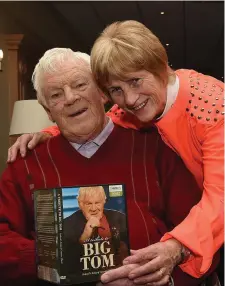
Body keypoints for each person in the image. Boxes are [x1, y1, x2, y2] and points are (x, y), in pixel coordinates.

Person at [4, 48, 219, 286]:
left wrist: (162, 278)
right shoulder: (26, 161)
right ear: (48, 112)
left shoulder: (155, 146)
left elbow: (200, 235)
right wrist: (55, 259)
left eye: (79, 85)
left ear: (103, 94)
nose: (70, 98)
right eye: (55, 95)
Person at [63, 186, 128, 279]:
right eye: (88, 203)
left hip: (117, 275)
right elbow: (67, 263)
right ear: (80, 204)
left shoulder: (119, 217)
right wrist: (85, 235)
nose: (93, 208)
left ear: (104, 201)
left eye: (97, 203)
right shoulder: (67, 224)